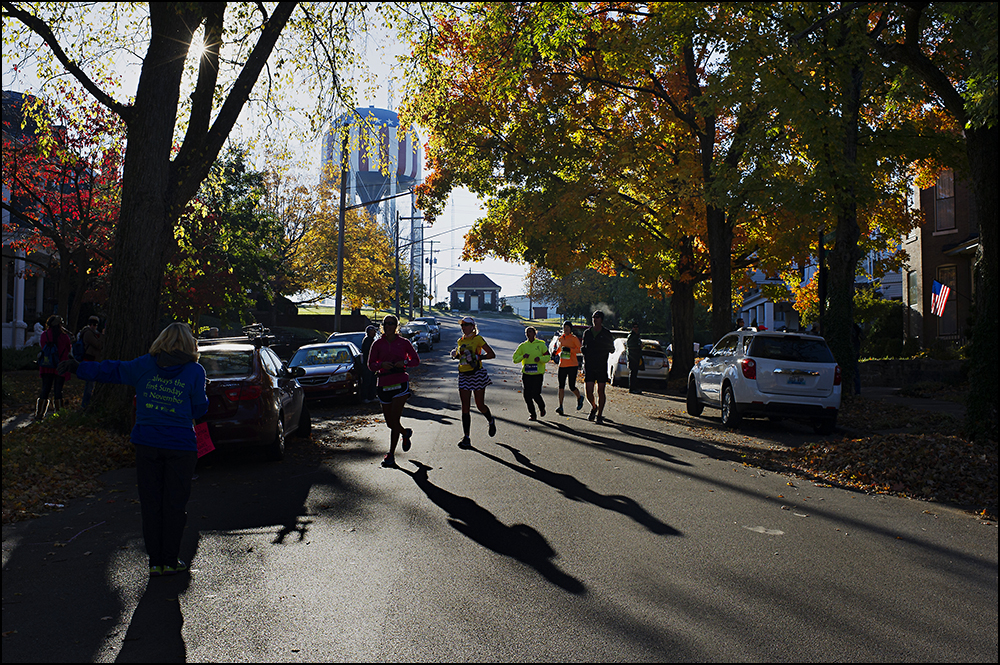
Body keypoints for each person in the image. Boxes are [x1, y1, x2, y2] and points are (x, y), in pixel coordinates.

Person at [57, 322, 208, 577]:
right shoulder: (195, 371)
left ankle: (155, 562)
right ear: (189, 343)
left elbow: (113, 370)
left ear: (161, 340)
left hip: (147, 443)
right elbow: (199, 410)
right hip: (180, 445)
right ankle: (170, 561)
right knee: (174, 504)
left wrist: (79, 367)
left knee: (151, 504)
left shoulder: (144, 365)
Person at [367, 315, 420, 467]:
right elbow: (370, 364)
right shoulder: (377, 344)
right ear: (383, 326)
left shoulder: (404, 343)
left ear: (396, 326)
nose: (389, 326)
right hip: (383, 383)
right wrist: (382, 364)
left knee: (395, 420)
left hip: (400, 382)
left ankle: (391, 455)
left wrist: (403, 362)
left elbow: (415, 360)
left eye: (392, 323)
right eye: (386, 324)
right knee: (390, 423)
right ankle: (405, 433)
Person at [450, 316, 497, 448]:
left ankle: (490, 420)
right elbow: (461, 356)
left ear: (473, 326)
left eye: (466, 325)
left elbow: (492, 354)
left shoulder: (478, 339)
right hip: (463, 375)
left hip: (477, 374)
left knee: (479, 405)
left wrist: (478, 357)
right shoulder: (460, 341)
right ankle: (466, 437)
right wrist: (455, 355)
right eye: (462, 325)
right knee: (465, 407)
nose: (464, 327)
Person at [581, 310, 616, 424]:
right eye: (593, 317)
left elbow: (612, 348)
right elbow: (583, 346)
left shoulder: (606, 333)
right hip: (589, 365)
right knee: (588, 391)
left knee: (601, 390)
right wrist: (584, 351)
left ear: (601, 319)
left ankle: (599, 415)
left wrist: (609, 348)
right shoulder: (587, 332)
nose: (594, 319)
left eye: (597, 317)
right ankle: (594, 406)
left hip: (601, 365)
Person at [35, 315, 72, 420]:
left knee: (45, 389)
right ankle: (59, 413)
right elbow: (68, 348)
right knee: (58, 390)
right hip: (60, 365)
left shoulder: (44, 335)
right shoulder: (64, 336)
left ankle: (40, 413)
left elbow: (42, 347)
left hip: (47, 365)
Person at [512, 326, 550, 421]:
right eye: (527, 333)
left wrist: (540, 359)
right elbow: (515, 359)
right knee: (527, 395)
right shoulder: (523, 346)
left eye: (530, 332)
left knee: (535, 394)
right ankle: (532, 414)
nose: (528, 334)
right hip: (527, 374)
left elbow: (548, 357)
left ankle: (542, 407)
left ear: (534, 333)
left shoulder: (541, 345)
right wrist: (522, 356)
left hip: (538, 374)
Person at [551, 321, 584, 415]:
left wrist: (571, 350)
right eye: (565, 327)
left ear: (571, 329)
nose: (566, 329)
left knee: (571, 386)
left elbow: (580, 349)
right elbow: (560, 348)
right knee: (561, 386)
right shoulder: (561, 338)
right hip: (562, 365)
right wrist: (555, 353)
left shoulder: (573, 338)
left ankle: (579, 397)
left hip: (572, 365)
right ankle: (560, 406)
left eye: (568, 327)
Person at [79, 316, 104, 410]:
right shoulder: (88, 333)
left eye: (95, 325)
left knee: (91, 385)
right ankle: (85, 405)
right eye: (92, 324)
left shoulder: (93, 333)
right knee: (89, 385)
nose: (94, 326)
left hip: (93, 361)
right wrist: (102, 336)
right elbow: (98, 345)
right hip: (90, 361)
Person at [360, 324, 378, 403]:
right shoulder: (367, 340)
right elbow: (368, 353)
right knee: (367, 381)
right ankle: (365, 397)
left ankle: (372, 396)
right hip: (368, 365)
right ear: (369, 332)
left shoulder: (371, 340)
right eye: (373, 331)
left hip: (372, 364)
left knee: (373, 380)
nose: (374, 332)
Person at [626, 321, 643, 394]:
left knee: (635, 373)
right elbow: (630, 346)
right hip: (632, 357)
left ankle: (634, 387)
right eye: (634, 327)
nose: (636, 328)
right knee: (633, 373)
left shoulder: (636, 336)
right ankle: (632, 388)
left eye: (637, 327)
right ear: (632, 328)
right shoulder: (631, 336)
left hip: (636, 356)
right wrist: (639, 346)